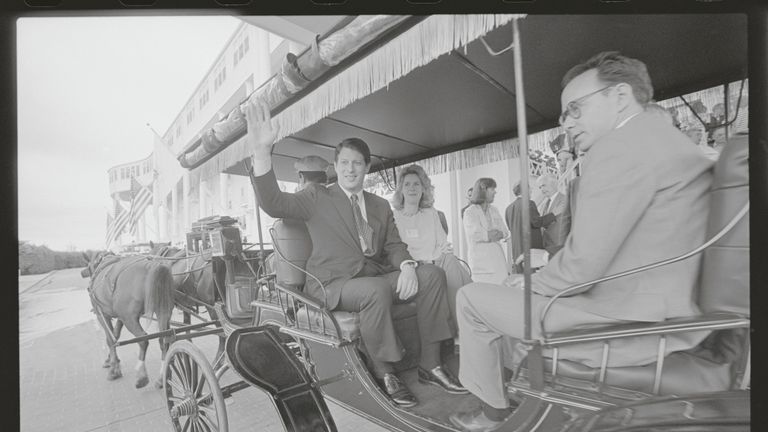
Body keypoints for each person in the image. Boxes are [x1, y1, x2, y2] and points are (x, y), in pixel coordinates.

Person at [450, 51, 714, 431]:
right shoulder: (669, 140)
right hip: (668, 313)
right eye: (564, 114)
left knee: (471, 298)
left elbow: (582, 266)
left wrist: (530, 284)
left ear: (620, 97)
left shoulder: (622, 146)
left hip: (628, 326)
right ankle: (522, 390)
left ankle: (491, 415)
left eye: (576, 109)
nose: (568, 123)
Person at [244, 99, 466, 408]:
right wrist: (260, 152)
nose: (350, 169)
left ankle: (431, 364)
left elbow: (393, 245)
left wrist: (406, 267)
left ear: (366, 167)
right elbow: (273, 203)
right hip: (331, 284)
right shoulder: (316, 196)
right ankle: (385, 372)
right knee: (374, 290)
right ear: (335, 167)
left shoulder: (379, 204)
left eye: (357, 163)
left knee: (431, 275)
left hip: (371, 278)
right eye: (344, 163)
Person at [391, 164, 472, 332]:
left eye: (417, 184)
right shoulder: (393, 217)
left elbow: (443, 244)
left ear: (423, 189)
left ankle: (467, 325)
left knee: (450, 261)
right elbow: (395, 250)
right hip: (415, 268)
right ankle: (467, 326)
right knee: (456, 274)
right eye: (407, 184)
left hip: (439, 262)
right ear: (400, 189)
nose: (412, 188)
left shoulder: (431, 213)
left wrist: (441, 257)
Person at [462, 178, 509, 284]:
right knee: (484, 294)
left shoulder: (494, 210)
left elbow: (505, 232)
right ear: (483, 190)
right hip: (481, 262)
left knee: (501, 291)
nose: (495, 192)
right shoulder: (470, 212)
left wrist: (490, 235)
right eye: (492, 189)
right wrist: (489, 235)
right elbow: (476, 235)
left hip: (498, 259)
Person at [504, 182, 555, 273]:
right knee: (533, 278)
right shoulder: (529, 203)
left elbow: (510, 227)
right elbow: (536, 222)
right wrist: (553, 215)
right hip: (531, 247)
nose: (531, 191)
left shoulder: (508, 208)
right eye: (529, 189)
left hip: (517, 249)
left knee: (521, 277)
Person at [536, 174, 569, 256]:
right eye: (540, 187)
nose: (542, 189)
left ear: (554, 184)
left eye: (543, 185)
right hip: (546, 246)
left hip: (560, 246)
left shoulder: (565, 200)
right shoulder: (544, 204)